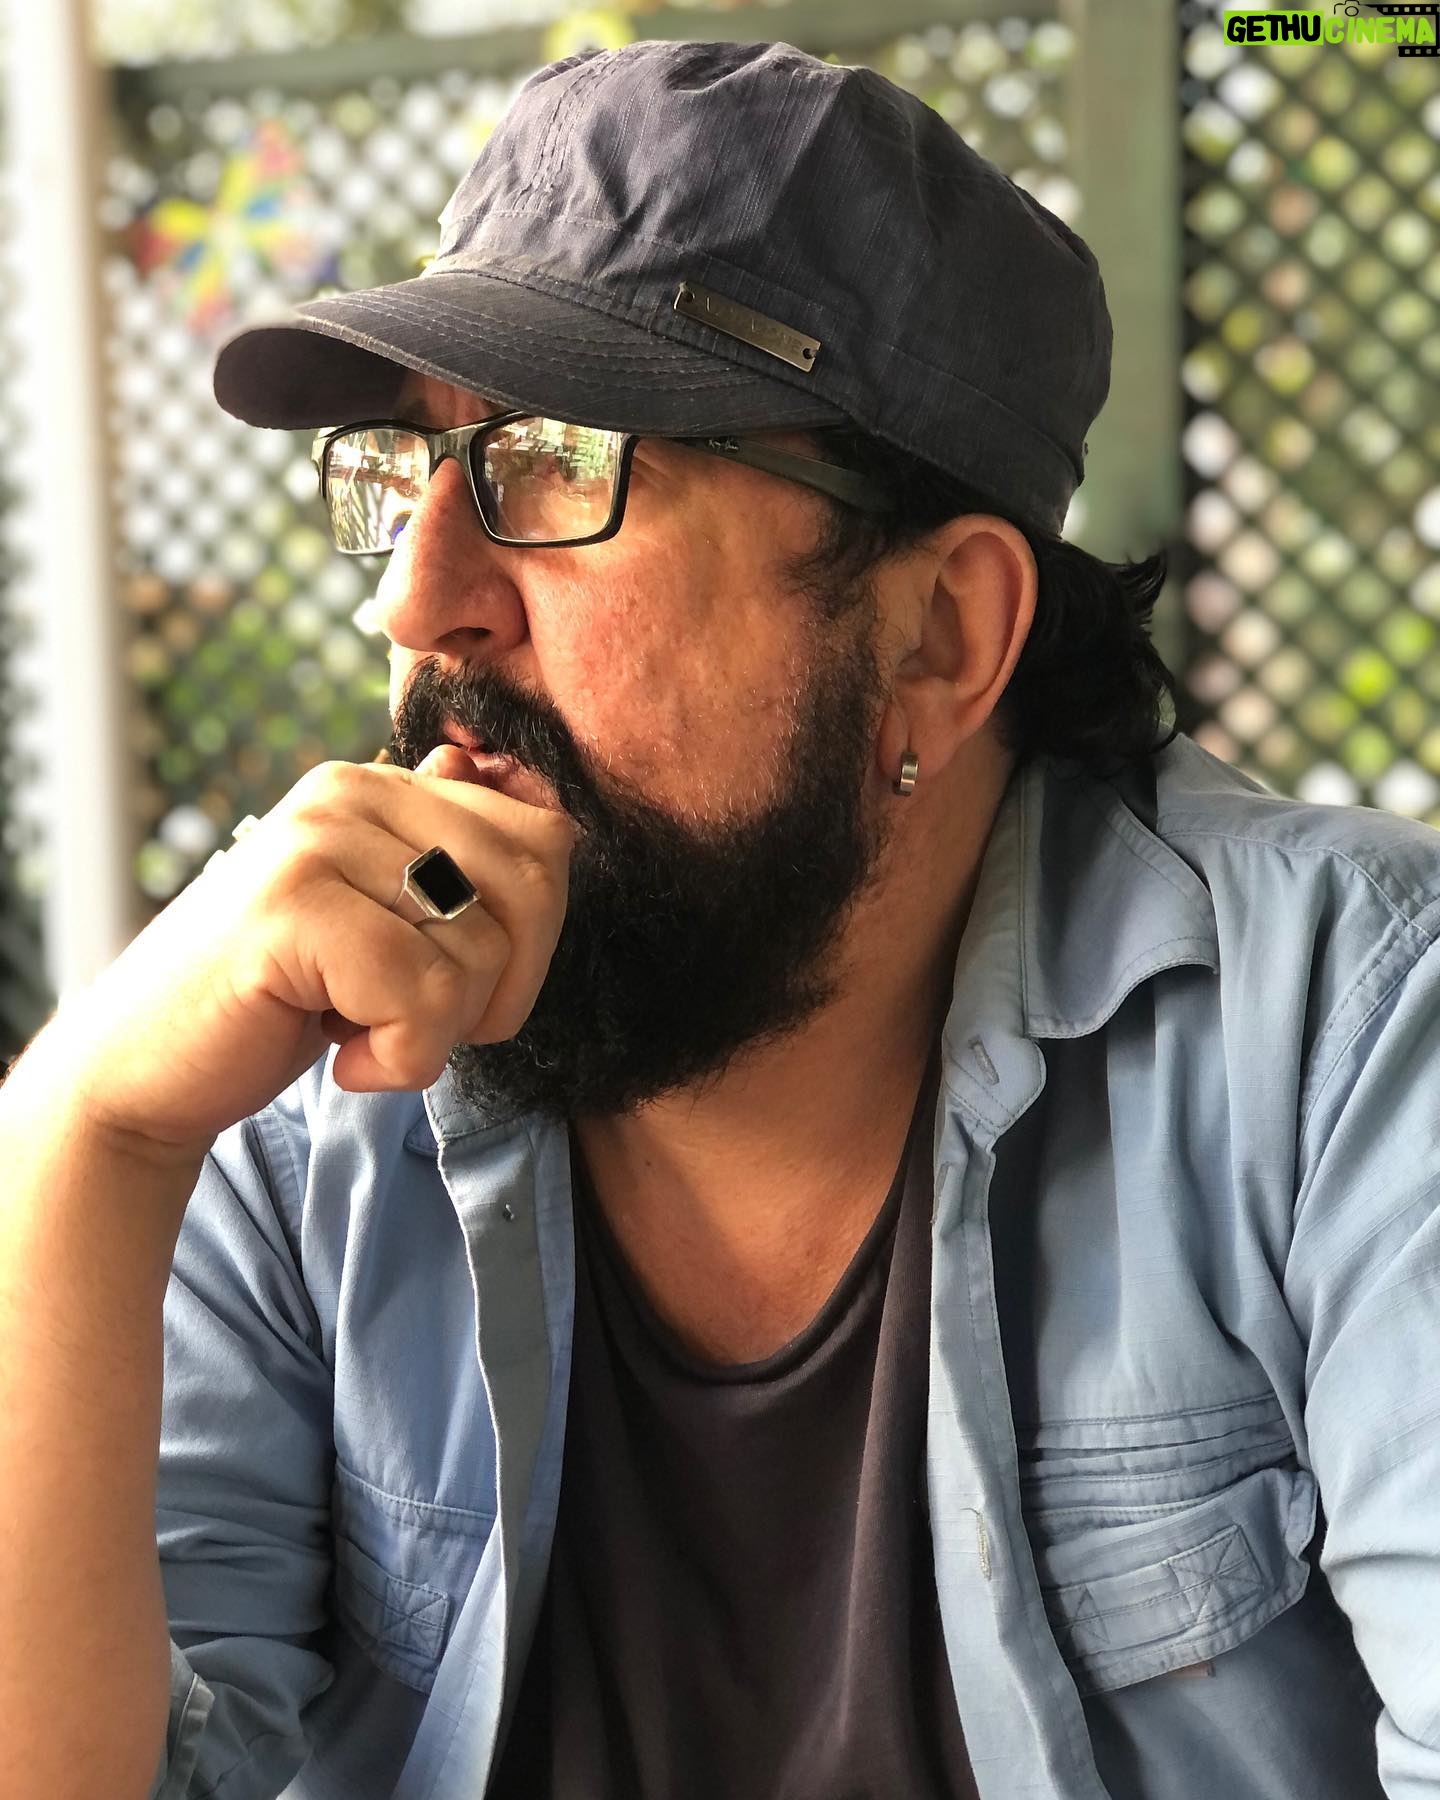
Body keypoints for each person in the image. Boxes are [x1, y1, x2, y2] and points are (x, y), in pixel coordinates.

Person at [0, 36, 1433, 1800]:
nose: (416, 604)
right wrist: (83, 1138)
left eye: (553, 466)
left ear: (937, 638)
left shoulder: (1345, 1043)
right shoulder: (300, 1099)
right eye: (411, 469)